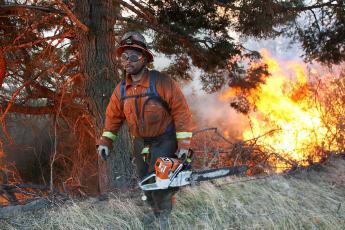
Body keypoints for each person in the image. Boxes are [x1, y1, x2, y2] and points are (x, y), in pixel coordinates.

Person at [96, 31, 194, 225]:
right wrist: (106, 141)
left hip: (165, 139)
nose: (128, 61)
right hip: (140, 142)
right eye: (124, 56)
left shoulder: (162, 82)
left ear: (145, 58)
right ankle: (155, 211)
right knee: (145, 180)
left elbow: (181, 112)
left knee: (161, 180)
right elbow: (113, 117)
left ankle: (164, 217)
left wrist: (183, 144)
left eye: (133, 56)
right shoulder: (121, 89)